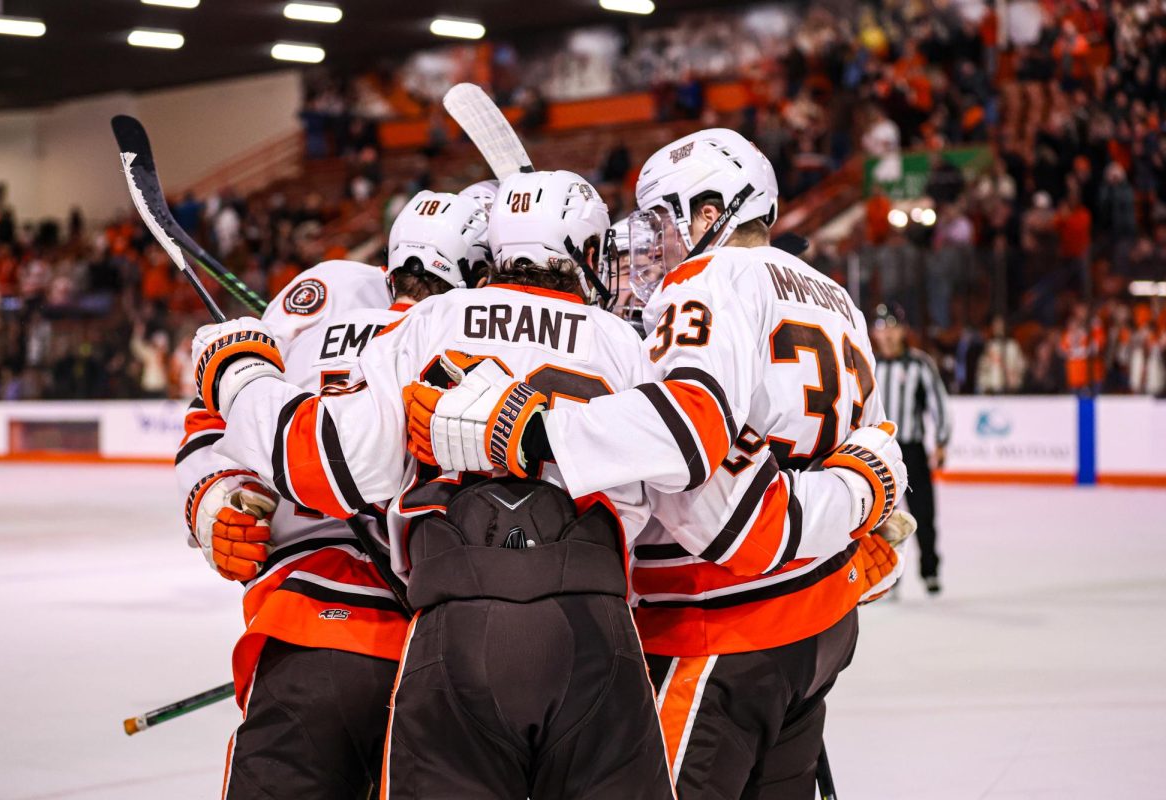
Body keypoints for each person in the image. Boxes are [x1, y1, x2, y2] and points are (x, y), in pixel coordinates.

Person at [410, 129, 909, 799]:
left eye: (662, 219)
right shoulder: (835, 296)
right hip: (820, 630)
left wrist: (537, 431)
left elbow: (705, 477)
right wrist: (847, 524)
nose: (654, 243)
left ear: (710, 213)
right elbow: (869, 453)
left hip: (720, 631)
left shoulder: (704, 278)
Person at [190, 170, 678, 799]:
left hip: (456, 625)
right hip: (597, 632)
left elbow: (330, 461)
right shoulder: (624, 340)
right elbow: (687, 495)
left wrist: (240, 374)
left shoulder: (427, 322)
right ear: (584, 253)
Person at [177, 190, 489, 800]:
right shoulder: (342, 292)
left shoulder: (340, 293)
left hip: (391, 647)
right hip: (428, 643)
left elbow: (227, 395)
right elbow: (212, 421)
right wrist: (215, 496)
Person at [871, 305, 950, 594]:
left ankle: (930, 570)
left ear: (903, 331)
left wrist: (941, 441)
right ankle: (887, 573)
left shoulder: (919, 364)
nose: (887, 334)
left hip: (912, 450)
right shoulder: (870, 364)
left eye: (892, 327)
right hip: (879, 452)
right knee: (881, 518)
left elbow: (937, 401)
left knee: (924, 513)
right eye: (882, 328)